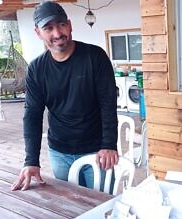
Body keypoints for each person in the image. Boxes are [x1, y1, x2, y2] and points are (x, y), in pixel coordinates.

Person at [11, 1, 119, 192]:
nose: (57, 34)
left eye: (61, 25)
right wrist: (31, 161)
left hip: (97, 151)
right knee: (69, 207)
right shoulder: (36, 69)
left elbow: (108, 104)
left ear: (69, 25)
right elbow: (32, 115)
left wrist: (109, 144)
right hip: (59, 151)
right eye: (48, 28)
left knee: (102, 208)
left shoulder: (95, 57)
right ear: (38, 33)